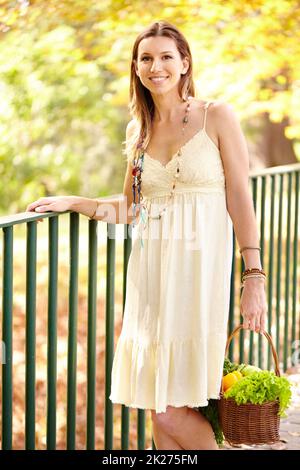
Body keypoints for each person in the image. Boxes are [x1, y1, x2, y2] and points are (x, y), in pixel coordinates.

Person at [26, 20, 268, 450]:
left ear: (184, 63)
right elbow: (132, 209)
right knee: (160, 403)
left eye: (166, 57)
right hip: (152, 282)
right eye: (146, 58)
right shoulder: (137, 132)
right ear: (136, 68)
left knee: (169, 410)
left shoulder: (217, 116)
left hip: (199, 276)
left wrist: (255, 277)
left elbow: (239, 197)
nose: (156, 66)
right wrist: (74, 201)